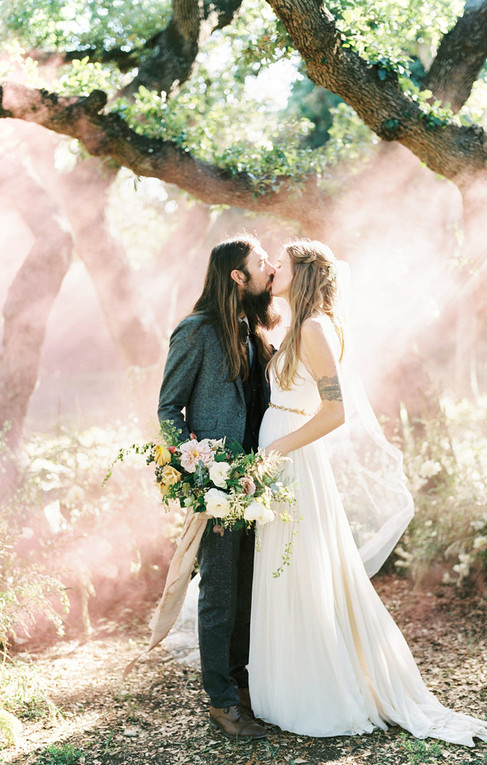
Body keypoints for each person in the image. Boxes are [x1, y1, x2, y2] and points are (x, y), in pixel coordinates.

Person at [248, 240, 487, 745]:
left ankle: (321, 690)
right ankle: (285, 686)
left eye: (283, 262)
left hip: (293, 461)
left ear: (302, 274)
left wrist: (276, 450)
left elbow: (335, 411)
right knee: (282, 568)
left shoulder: (315, 329)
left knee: (300, 568)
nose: (274, 267)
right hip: (278, 459)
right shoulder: (291, 326)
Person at [157, 234, 277, 740]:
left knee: (253, 591)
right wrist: (199, 471)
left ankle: (248, 689)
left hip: (260, 484)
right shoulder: (196, 330)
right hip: (219, 486)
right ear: (236, 276)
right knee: (221, 594)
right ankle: (222, 702)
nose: (270, 268)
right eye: (261, 262)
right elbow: (168, 410)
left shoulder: (254, 330)